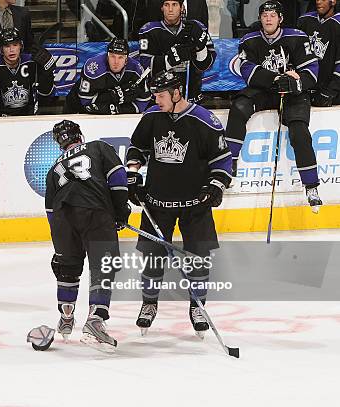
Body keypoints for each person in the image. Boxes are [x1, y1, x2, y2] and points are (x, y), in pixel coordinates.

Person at [125, 70, 232, 337]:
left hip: (195, 203)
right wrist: (133, 171)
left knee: (199, 259)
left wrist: (216, 186)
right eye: (154, 95)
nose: (156, 100)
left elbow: (222, 160)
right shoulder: (151, 117)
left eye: (161, 95)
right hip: (157, 202)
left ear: (176, 93)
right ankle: (149, 303)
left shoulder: (205, 121)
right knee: (153, 259)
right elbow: (137, 148)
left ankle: (197, 306)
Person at [226, 1, 322, 212]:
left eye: (273, 15)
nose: (268, 18)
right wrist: (277, 77)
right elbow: (247, 70)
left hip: (292, 94)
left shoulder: (296, 37)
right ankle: (228, 165)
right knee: (239, 106)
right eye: (264, 15)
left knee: (299, 131)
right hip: (264, 90)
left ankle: (311, 185)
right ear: (260, 19)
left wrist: (296, 83)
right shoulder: (249, 41)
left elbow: (312, 72)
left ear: (280, 18)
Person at [45, 119, 130, 352]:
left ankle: (66, 316)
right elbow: (118, 178)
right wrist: (121, 210)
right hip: (94, 211)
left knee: (68, 267)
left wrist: (59, 248)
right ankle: (96, 320)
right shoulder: (98, 147)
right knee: (103, 265)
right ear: (79, 135)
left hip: (62, 219)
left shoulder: (54, 168)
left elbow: (50, 211)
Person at [138, 0, 216, 104]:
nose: (170, 9)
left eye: (174, 5)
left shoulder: (197, 27)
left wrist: (200, 48)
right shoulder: (149, 30)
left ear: (182, 8)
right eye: (167, 5)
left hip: (192, 97)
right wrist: (170, 60)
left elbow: (206, 65)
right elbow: (145, 66)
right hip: (160, 98)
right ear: (162, 8)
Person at [65, 37, 150, 115]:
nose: (116, 62)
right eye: (113, 56)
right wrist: (113, 96)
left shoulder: (136, 70)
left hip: (112, 111)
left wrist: (118, 109)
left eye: (120, 57)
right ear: (107, 56)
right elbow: (86, 101)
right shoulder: (93, 68)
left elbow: (143, 101)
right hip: (76, 105)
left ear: (126, 59)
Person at [0, 28, 55, 116]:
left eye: (15, 45)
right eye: (7, 46)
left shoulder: (32, 62)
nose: (11, 50)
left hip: (28, 117)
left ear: (21, 46)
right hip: (2, 119)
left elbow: (46, 96)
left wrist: (46, 72)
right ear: (1, 48)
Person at [298, 0, 340, 106]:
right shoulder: (304, 20)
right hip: (306, 89)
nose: (318, 2)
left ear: (333, 2)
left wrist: (330, 91)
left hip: (331, 91)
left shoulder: (337, 24)